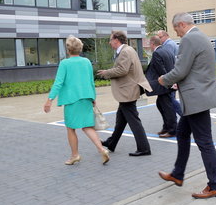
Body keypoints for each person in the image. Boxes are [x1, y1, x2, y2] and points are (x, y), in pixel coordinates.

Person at [158, 12, 216, 199]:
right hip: (199, 95)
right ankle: (178, 174)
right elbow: (197, 69)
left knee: (205, 143)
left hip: (196, 99)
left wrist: (163, 79)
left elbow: (180, 70)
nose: (177, 34)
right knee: (182, 133)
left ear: (181, 24)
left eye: (176, 30)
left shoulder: (189, 40)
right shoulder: (202, 36)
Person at [43, 36, 110, 165]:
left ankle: (75, 155)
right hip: (86, 97)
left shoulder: (65, 63)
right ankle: (102, 149)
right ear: (80, 48)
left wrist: (49, 99)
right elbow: (90, 81)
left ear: (68, 50)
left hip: (71, 100)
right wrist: (93, 97)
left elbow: (58, 83)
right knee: (87, 126)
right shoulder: (86, 62)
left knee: (71, 128)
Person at [97, 31, 152, 156]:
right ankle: (112, 143)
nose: (109, 42)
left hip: (128, 91)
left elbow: (122, 70)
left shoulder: (125, 52)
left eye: (110, 40)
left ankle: (144, 148)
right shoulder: (128, 50)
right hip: (128, 91)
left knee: (134, 121)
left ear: (116, 40)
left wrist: (107, 72)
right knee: (121, 120)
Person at [145, 35, 177, 138]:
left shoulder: (157, 53)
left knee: (167, 107)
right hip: (169, 84)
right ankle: (166, 127)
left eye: (149, 44)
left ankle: (172, 130)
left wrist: (168, 82)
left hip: (165, 85)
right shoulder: (167, 51)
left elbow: (161, 69)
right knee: (160, 104)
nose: (149, 46)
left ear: (153, 44)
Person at [157, 29, 182, 117]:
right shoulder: (172, 44)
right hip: (174, 74)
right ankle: (174, 119)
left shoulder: (168, 45)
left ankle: (183, 116)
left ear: (166, 36)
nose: (159, 39)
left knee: (171, 99)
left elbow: (168, 62)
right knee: (170, 98)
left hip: (171, 75)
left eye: (160, 37)